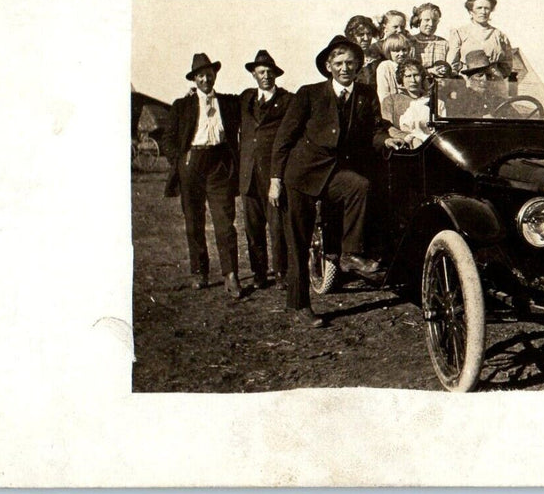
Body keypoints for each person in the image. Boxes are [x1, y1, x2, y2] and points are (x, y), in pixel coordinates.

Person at [269, 35, 406, 327]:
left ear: (358, 66)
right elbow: (283, 139)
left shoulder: (367, 94)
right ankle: (299, 306)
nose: (345, 68)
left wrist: (388, 140)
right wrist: (275, 179)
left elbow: (375, 130)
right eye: (339, 63)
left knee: (359, 185)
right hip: (301, 175)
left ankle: (350, 255)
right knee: (298, 240)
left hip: (334, 174)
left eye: (351, 63)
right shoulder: (308, 94)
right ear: (329, 66)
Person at [162, 53, 242, 297]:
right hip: (192, 165)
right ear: (194, 79)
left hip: (219, 164)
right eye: (200, 75)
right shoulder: (181, 105)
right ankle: (200, 272)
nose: (205, 79)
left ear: (215, 75)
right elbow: (167, 139)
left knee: (225, 221)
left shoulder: (228, 103)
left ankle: (231, 275)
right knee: (194, 222)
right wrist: (180, 158)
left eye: (209, 74)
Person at [238, 49, 292, 290]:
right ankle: (259, 273)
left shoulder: (287, 100)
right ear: (254, 74)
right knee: (253, 228)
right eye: (261, 72)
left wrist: (278, 176)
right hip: (248, 175)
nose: (266, 76)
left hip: (273, 174)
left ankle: (282, 273)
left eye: (270, 72)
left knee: (277, 226)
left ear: (276, 75)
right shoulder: (245, 99)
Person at [445, 0, 514, 78]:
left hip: (494, 81)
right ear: (471, 11)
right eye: (479, 8)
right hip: (468, 81)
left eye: (487, 8)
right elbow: (452, 64)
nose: (483, 12)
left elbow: (507, 65)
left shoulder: (500, 36)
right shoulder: (460, 33)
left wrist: (494, 76)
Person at [344, 14, 384, 86]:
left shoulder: (379, 58)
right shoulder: (347, 61)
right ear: (352, 36)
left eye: (369, 34)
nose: (366, 38)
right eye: (361, 34)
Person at [410, 2, 450, 70]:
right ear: (418, 21)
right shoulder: (410, 42)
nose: (431, 24)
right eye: (427, 20)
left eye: (434, 20)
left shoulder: (444, 43)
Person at [375, 32, 412, 103]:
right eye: (397, 51)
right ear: (389, 52)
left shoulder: (412, 66)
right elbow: (383, 94)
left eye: (404, 50)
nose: (401, 54)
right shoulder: (385, 67)